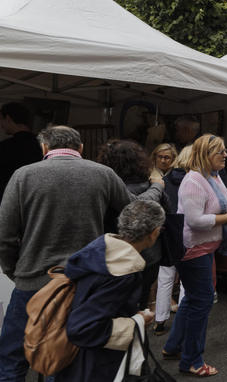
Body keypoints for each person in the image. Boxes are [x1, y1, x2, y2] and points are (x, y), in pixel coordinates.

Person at [0, 126, 136, 382]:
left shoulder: (23, 176)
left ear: (44, 147)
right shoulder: (103, 174)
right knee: (64, 357)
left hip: (32, 282)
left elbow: (4, 235)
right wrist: (156, 188)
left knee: (11, 358)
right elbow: (133, 212)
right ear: (81, 148)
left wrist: (14, 270)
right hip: (83, 284)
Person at [56, 200, 165, 381]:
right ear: (154, 233)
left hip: (75, 361)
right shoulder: (122, 273)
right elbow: (83, 328)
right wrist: (137, 321)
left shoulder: (101, 253)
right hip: (98, 366)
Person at [162, 134, 227, 377]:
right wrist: (226, 219)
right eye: (220, 152)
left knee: (193, 299)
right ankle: (192, 361)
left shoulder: (213, 177)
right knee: (201, 303)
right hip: (194, 250)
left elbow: (225, 202)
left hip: (206, 249)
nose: (226, 155)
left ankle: (173, 346)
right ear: (205, 155)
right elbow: (194, 221)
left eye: (225, 151)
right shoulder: (194, 180)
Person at [96, 139, 168, 310]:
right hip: (149, 256)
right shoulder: (152, 185)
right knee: (141, 306)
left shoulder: (105, 189)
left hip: (115, 256)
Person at [154, 145, 193, 335]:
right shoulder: (193, 181)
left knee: (165, 276)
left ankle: (159, 320)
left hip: (168, 229)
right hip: (187, 228)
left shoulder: (163, 180)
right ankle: (183, 320)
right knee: (186, 278)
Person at [0, 102, 42, 198]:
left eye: (1, 119)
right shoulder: (42, 144)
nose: (1, 125)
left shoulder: (5, 147)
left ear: (8, 118)